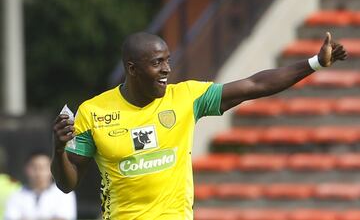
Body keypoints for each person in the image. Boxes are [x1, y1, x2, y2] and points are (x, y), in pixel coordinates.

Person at [51, 31, 347, 220]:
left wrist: (313, 64)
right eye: (157, 62)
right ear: (132, 69)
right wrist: (59, 149)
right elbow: (68, 184)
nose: (167, 69)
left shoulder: (186, 97)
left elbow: (255, 85)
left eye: (168, 60)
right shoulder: (94, 111)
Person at [5, 150, 76, 220]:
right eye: (34, 167)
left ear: (52, 169)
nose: (38, 173)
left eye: (43, 168)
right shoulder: (16, 194)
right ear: (26, 169)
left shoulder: (63, 193)